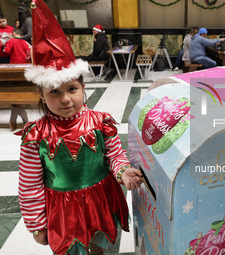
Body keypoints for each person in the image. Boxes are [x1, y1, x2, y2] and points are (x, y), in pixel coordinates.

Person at [17, 1, 143, 254]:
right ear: (41, 95)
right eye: (54, 92)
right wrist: (36, 224)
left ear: (83, 87)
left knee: (97, 247)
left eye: (72, 89)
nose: (65, 99)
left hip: (100, 200)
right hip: (62, 208)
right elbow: (29, 184)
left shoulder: (101, 122)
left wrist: (122, 172)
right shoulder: (35, 136)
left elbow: (114, 155)